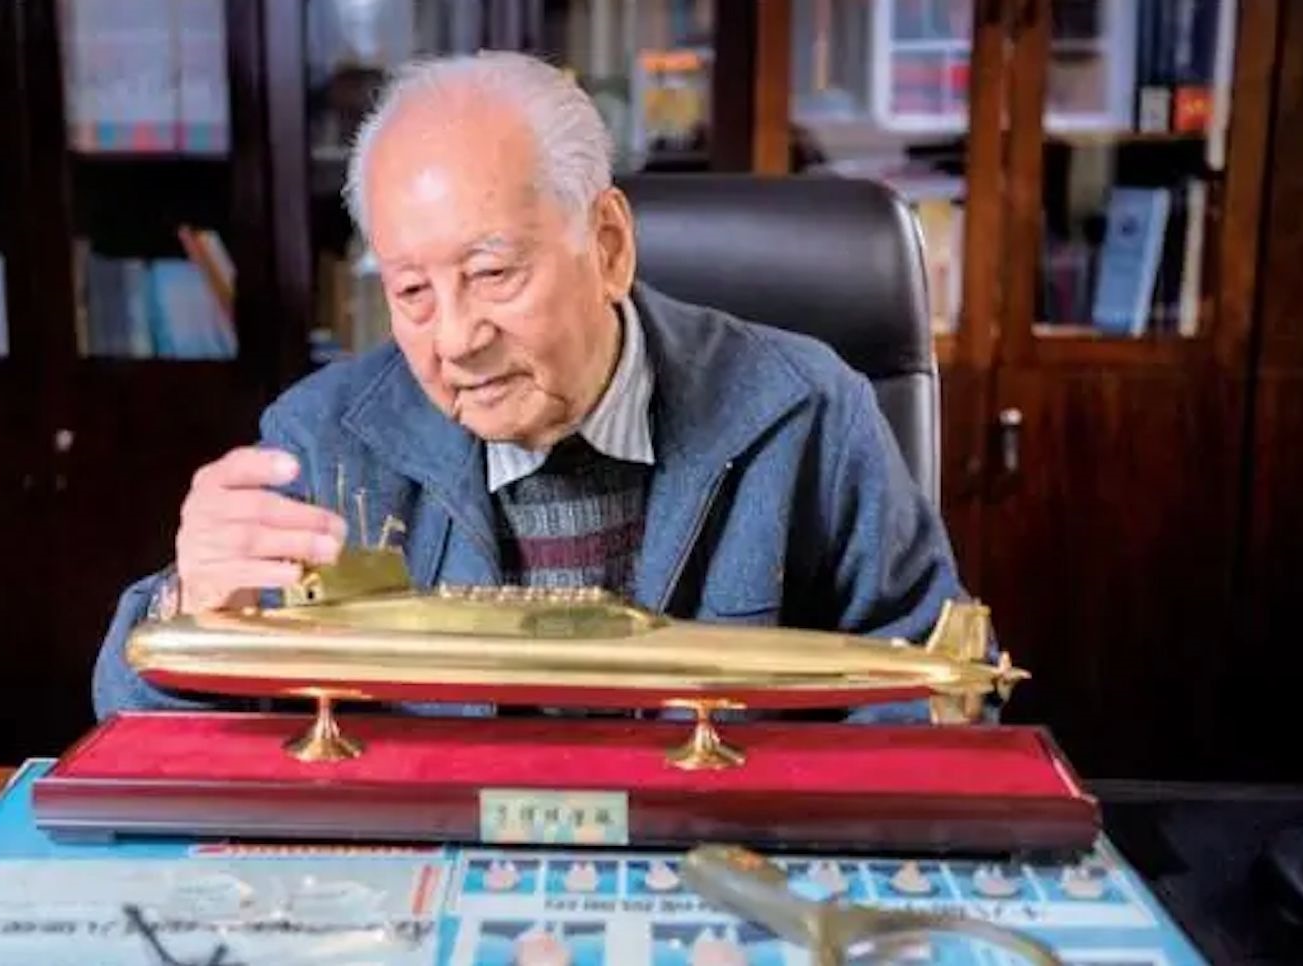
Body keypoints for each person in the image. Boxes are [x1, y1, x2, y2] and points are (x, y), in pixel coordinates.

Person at [92, 51, 968, 722]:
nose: (455, 339)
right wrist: (189, 611)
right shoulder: (323, 442)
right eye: (411, 291)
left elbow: (943, 688)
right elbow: (137, 720)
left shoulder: (807, 411)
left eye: (493, 273)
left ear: (609, 246)